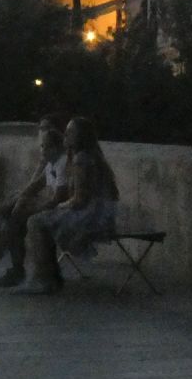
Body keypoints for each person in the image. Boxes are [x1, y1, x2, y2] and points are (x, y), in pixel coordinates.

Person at [24, 117, 120, 295]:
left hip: (92, 216)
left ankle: (45, 278)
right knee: (42, 221)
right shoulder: (93, 157)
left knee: (35, 222)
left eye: (70, 132)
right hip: (102, 213)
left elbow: (80, 200)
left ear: (81, 136)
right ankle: (49, 277)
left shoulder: (81, 159)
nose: (65, 135)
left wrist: (60, 207)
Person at [0, 113, 72, 289]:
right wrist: (21, 200)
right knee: (12, 210)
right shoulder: (52, 163)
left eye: (47, 147)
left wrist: (29, 207)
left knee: (17, 221)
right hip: (53, 205)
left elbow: (58, 198)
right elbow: (35, 185)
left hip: (61, 208)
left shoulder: (62, 163)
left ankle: (10, 260)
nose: (43, 150)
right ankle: (0, 247)